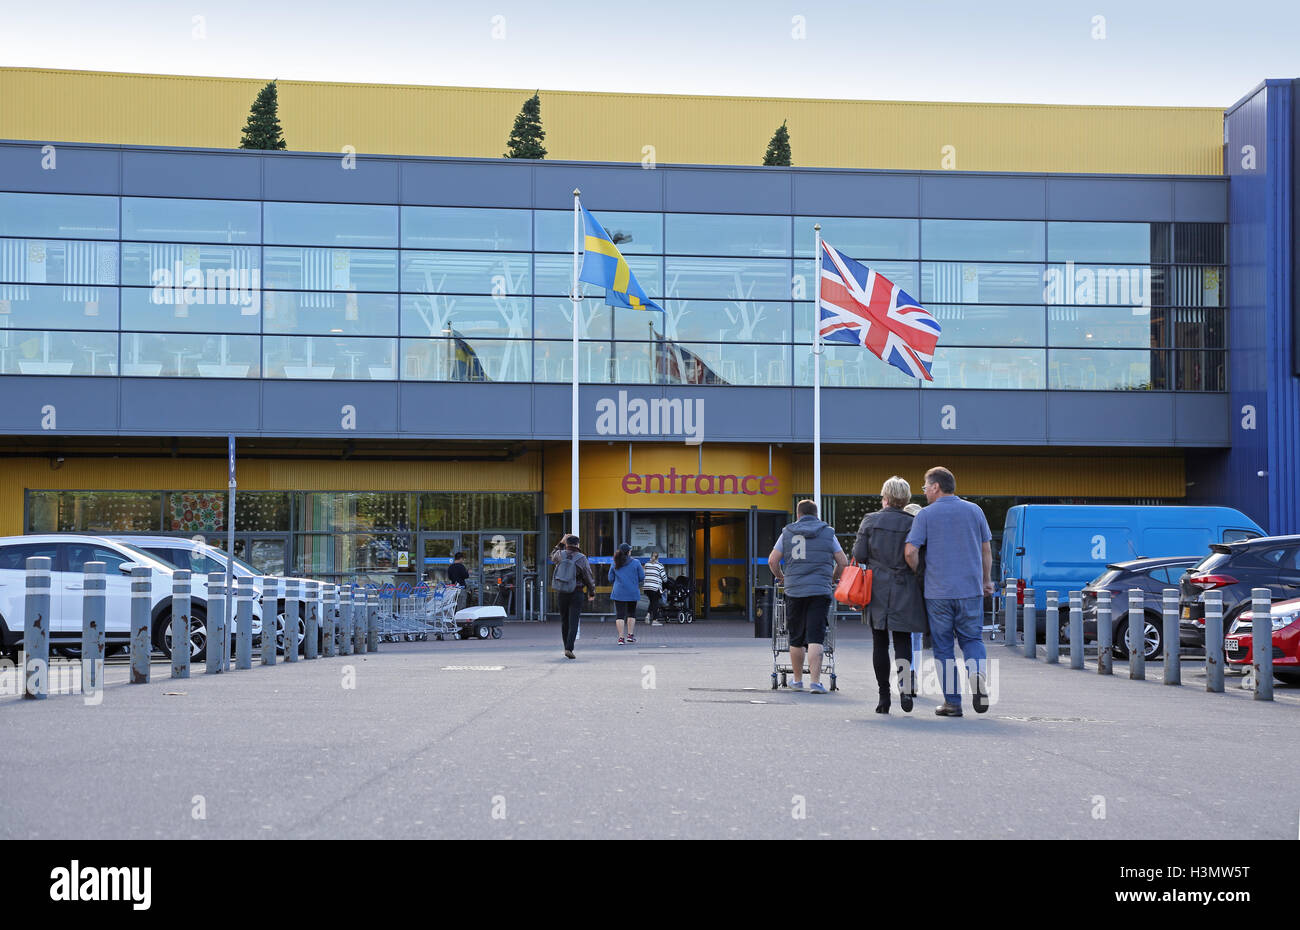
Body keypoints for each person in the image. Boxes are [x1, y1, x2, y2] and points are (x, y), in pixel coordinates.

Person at [905, 467, 994, 717]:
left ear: (936, 487)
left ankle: (953, 703)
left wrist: (920, 574)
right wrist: (986, 581)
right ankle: (977, 676)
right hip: (970, 591)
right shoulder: (975, 511)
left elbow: (910, 552)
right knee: (972, 639)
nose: (923, 491)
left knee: (943, 648)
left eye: (925, 486)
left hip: (938, 593)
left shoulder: (925, 515)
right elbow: (986, 550)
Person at [853, 477, 927, 714]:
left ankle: (883, 698)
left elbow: (860, 555)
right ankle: (905, 689)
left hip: (877, 588)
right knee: (903, 641)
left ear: (885, 496)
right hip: (906, 586)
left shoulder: (871, 520)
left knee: (879, 642)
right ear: (905, 498)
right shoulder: (914, 522)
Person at [767, 500, 848, 693]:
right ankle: (815, 682)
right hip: (820, 591)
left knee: (796, 637)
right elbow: (843, 561)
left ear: (798, 514)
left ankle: (796, 681)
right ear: (816, 514)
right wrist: (832, 578)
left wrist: (781, 577)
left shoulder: (787, 532)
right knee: (816, 636)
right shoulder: (828, 532)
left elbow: (772, 560)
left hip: (794, 590)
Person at [551, 534, 596, 660]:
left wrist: (560, 542)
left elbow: (552, 555)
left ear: (566, 544)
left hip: (562, 592)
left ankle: (566, 646)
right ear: (578, 545)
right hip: (576, 592)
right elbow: (588, 576)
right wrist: (591, 592)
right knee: (573, 621)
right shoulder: (581, 558)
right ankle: (569, 648)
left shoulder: (560, 554)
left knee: (564, 620)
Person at [610, 543, 646, 644]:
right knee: (631, 613)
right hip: (632, 591)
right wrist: (634, 581)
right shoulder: (636, 563)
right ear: (628, 552)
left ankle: (621, 638)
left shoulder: (615, 562)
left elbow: (610, 578)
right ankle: (630, 636)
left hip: (619, 592)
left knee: (620, 615)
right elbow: (642, 577)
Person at [643, 552, 667, 625]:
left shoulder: (646, 564)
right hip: (655, 587)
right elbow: (664, 578)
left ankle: (648, 615)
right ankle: (655, 620)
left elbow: (643, 574)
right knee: (655, 603)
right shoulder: (659, 565)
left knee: (652, 601)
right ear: (657, 558)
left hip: (647, 587)